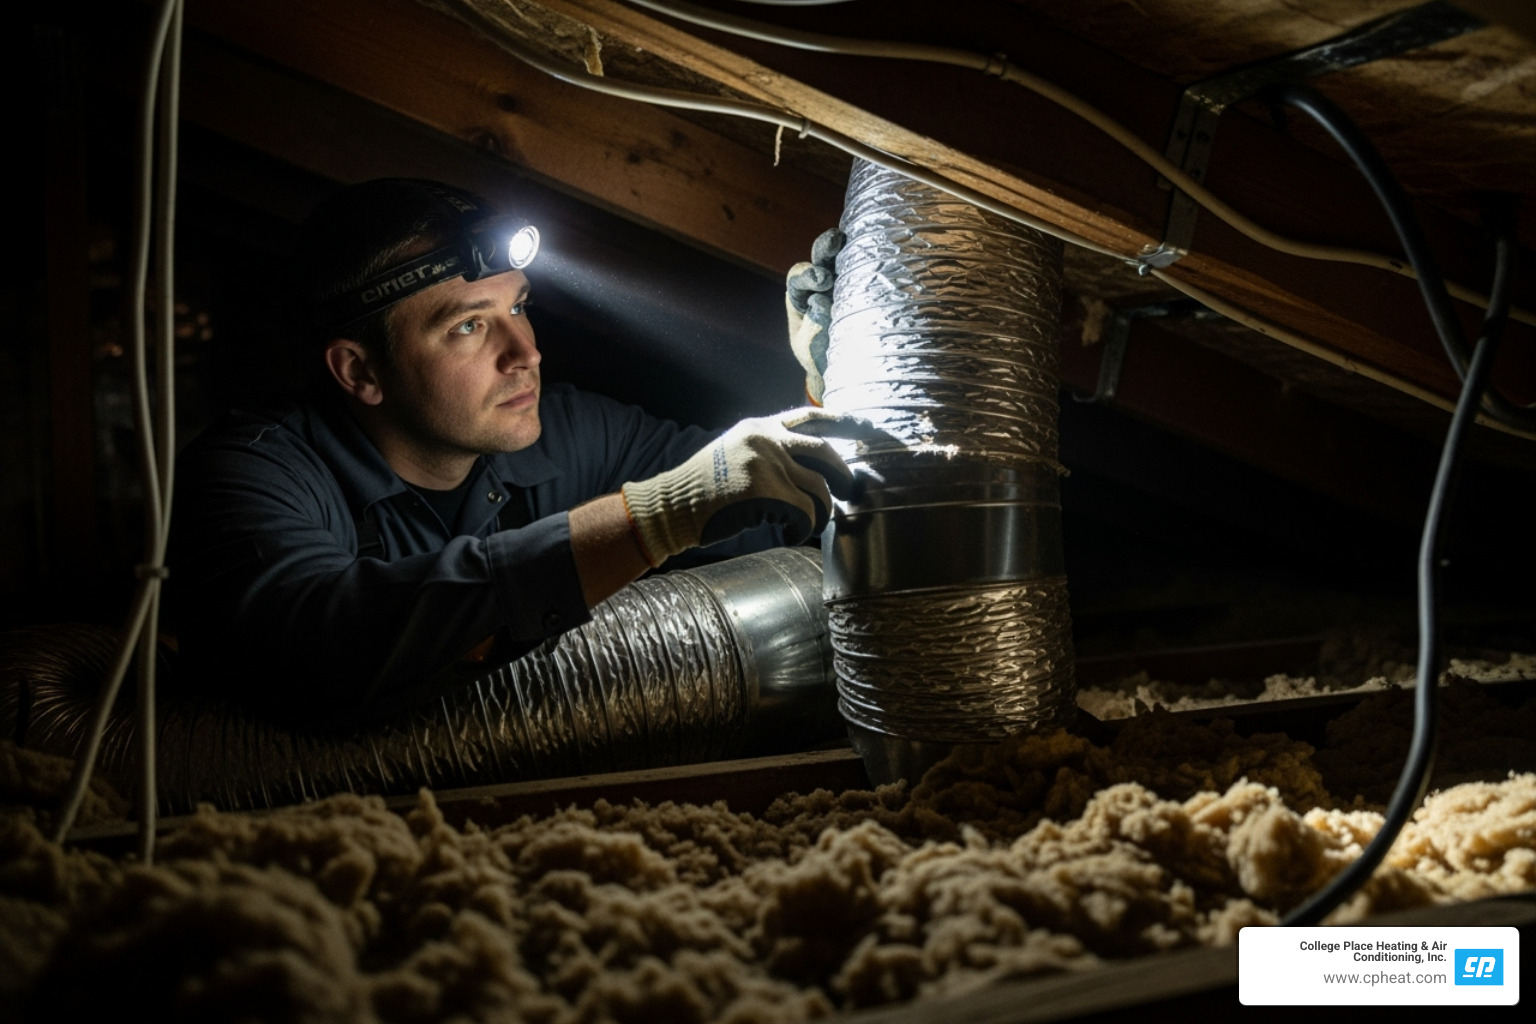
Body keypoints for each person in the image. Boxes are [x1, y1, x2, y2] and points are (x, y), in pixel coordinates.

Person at [167, 178, 851, 726]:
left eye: (517, 307)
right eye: (468, 326)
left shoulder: (567, 431)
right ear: (359, 372)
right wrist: (654, 518)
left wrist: (830, 383)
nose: (525, 353)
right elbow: (322, 644)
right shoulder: (252, 474)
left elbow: (773, 500)